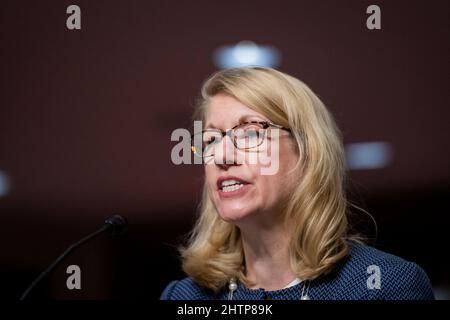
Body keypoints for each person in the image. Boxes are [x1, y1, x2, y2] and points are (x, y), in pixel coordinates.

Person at [161, 67, 434, 300]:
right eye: (211, 140)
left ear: (307, 151)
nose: (222, 156)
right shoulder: (183, 297)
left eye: (250, 134)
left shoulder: (387, 285)